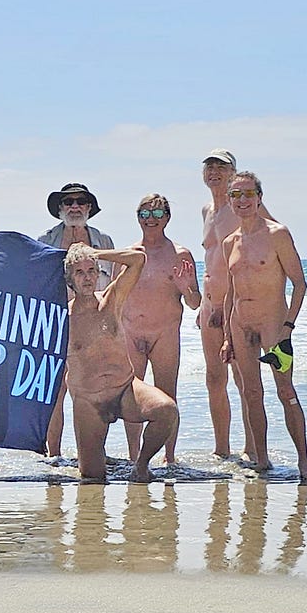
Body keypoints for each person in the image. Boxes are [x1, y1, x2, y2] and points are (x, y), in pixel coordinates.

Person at [219, 171, 307, 481]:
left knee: (285, 390)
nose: (243, 200)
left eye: (249, 194)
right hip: (240, 325)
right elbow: (230, 293)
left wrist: (288, 326)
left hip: (274, 327)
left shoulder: (277, 234)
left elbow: (300, 284)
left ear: (260, 197)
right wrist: (226, 337)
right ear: (230, 201)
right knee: (251, 393)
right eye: (236, 195)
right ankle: (262, 460)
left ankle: (304, 462)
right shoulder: (229, 242)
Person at [63, 243, 178, 483]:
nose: (87, 278)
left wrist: (95, 253)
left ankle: (141, 466)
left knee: (167, 411)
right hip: (89, 400)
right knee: (92, 479)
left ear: (98, 273)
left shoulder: (111, 300)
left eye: (91, 270)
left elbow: (137, 259)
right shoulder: (63, 318)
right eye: (79, 272)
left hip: (125, 388)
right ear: (70, 279)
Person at [122, 193, 201, 465]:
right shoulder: (131, 254)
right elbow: (114, 296)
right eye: (144, 214)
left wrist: (185, 288)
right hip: (131, 333)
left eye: (156, 215)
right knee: (130, 397)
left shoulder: (180, 254)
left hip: (165, 334)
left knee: (168, 396)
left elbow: (195, 303)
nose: (150, 220)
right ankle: (134, 457)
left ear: (167, 218)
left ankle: (169, 457)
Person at [40, 182, 116, 459]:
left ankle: (94, 452)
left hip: (94, 326)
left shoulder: (104, 242)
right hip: (57, 323)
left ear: (89, 208)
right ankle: (54, 456)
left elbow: (116, 285)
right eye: (68, 202)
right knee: (55, 392)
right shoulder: (45, 241)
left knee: (93, 390)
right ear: (60, 209)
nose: (74, 207)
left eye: (80, 202)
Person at [198, 149, 241, 459]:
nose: (214, 171)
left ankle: (253, 448)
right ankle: (222, 450)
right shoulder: (206, 210)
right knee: (214, 378)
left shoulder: (241, 206)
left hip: (235, 307)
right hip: (209, 305)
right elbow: (210, 260)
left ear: (232, 172)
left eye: (220, 167)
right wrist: (204, 303)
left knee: (243, 378)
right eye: (209, 166)